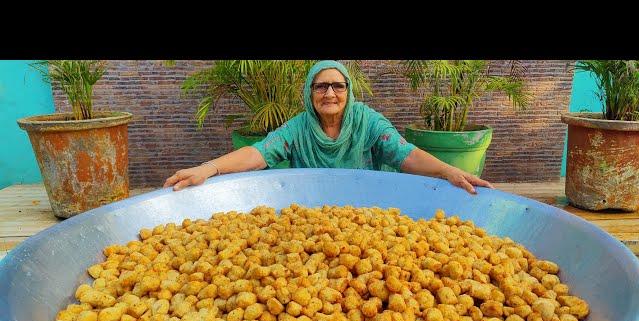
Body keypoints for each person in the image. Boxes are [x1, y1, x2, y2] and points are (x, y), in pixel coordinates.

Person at [164, 60, 494, 194]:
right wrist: (209, 168)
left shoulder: (367, 121)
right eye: (321, 87)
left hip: (364, 207)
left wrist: (446, 170)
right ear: (310, 93)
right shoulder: (298, 128)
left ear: (348, 91)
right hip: (309, 213)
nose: (330, 93)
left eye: (338, 86)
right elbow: (259, 153)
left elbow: (403, 153)